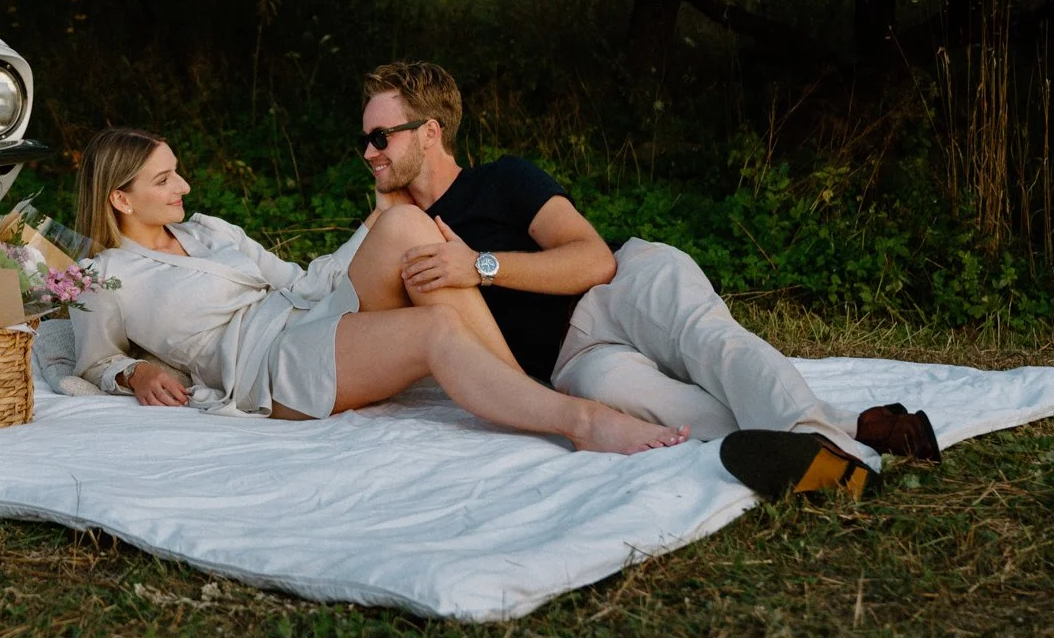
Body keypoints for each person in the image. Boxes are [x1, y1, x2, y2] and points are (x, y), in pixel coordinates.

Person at [355, 60, 942, 499]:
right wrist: (384, 211)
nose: (368, 151)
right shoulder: (401, 231)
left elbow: (593, 259)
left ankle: (826, 454)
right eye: (364, 140)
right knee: (672, 412)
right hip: (570, 361)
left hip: (621, 286)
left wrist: (481, 265)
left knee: (715, 348)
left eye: (382, 138)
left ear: (430, 132)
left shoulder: (503, 179)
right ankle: (859, 430)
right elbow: (379, 329)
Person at [68, 127, 689, 455]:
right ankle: (577, 419)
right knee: (434, 330)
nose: (185, 184)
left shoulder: (207, 229)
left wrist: (373, 223)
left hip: (301, 315)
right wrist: (133, 375)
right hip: (266, 367)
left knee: (408, 227)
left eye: (176, 169)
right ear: (120, 198)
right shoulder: (104, 278)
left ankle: (523, 392)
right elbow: (91, 359)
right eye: (165, 178)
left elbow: (303, 281)